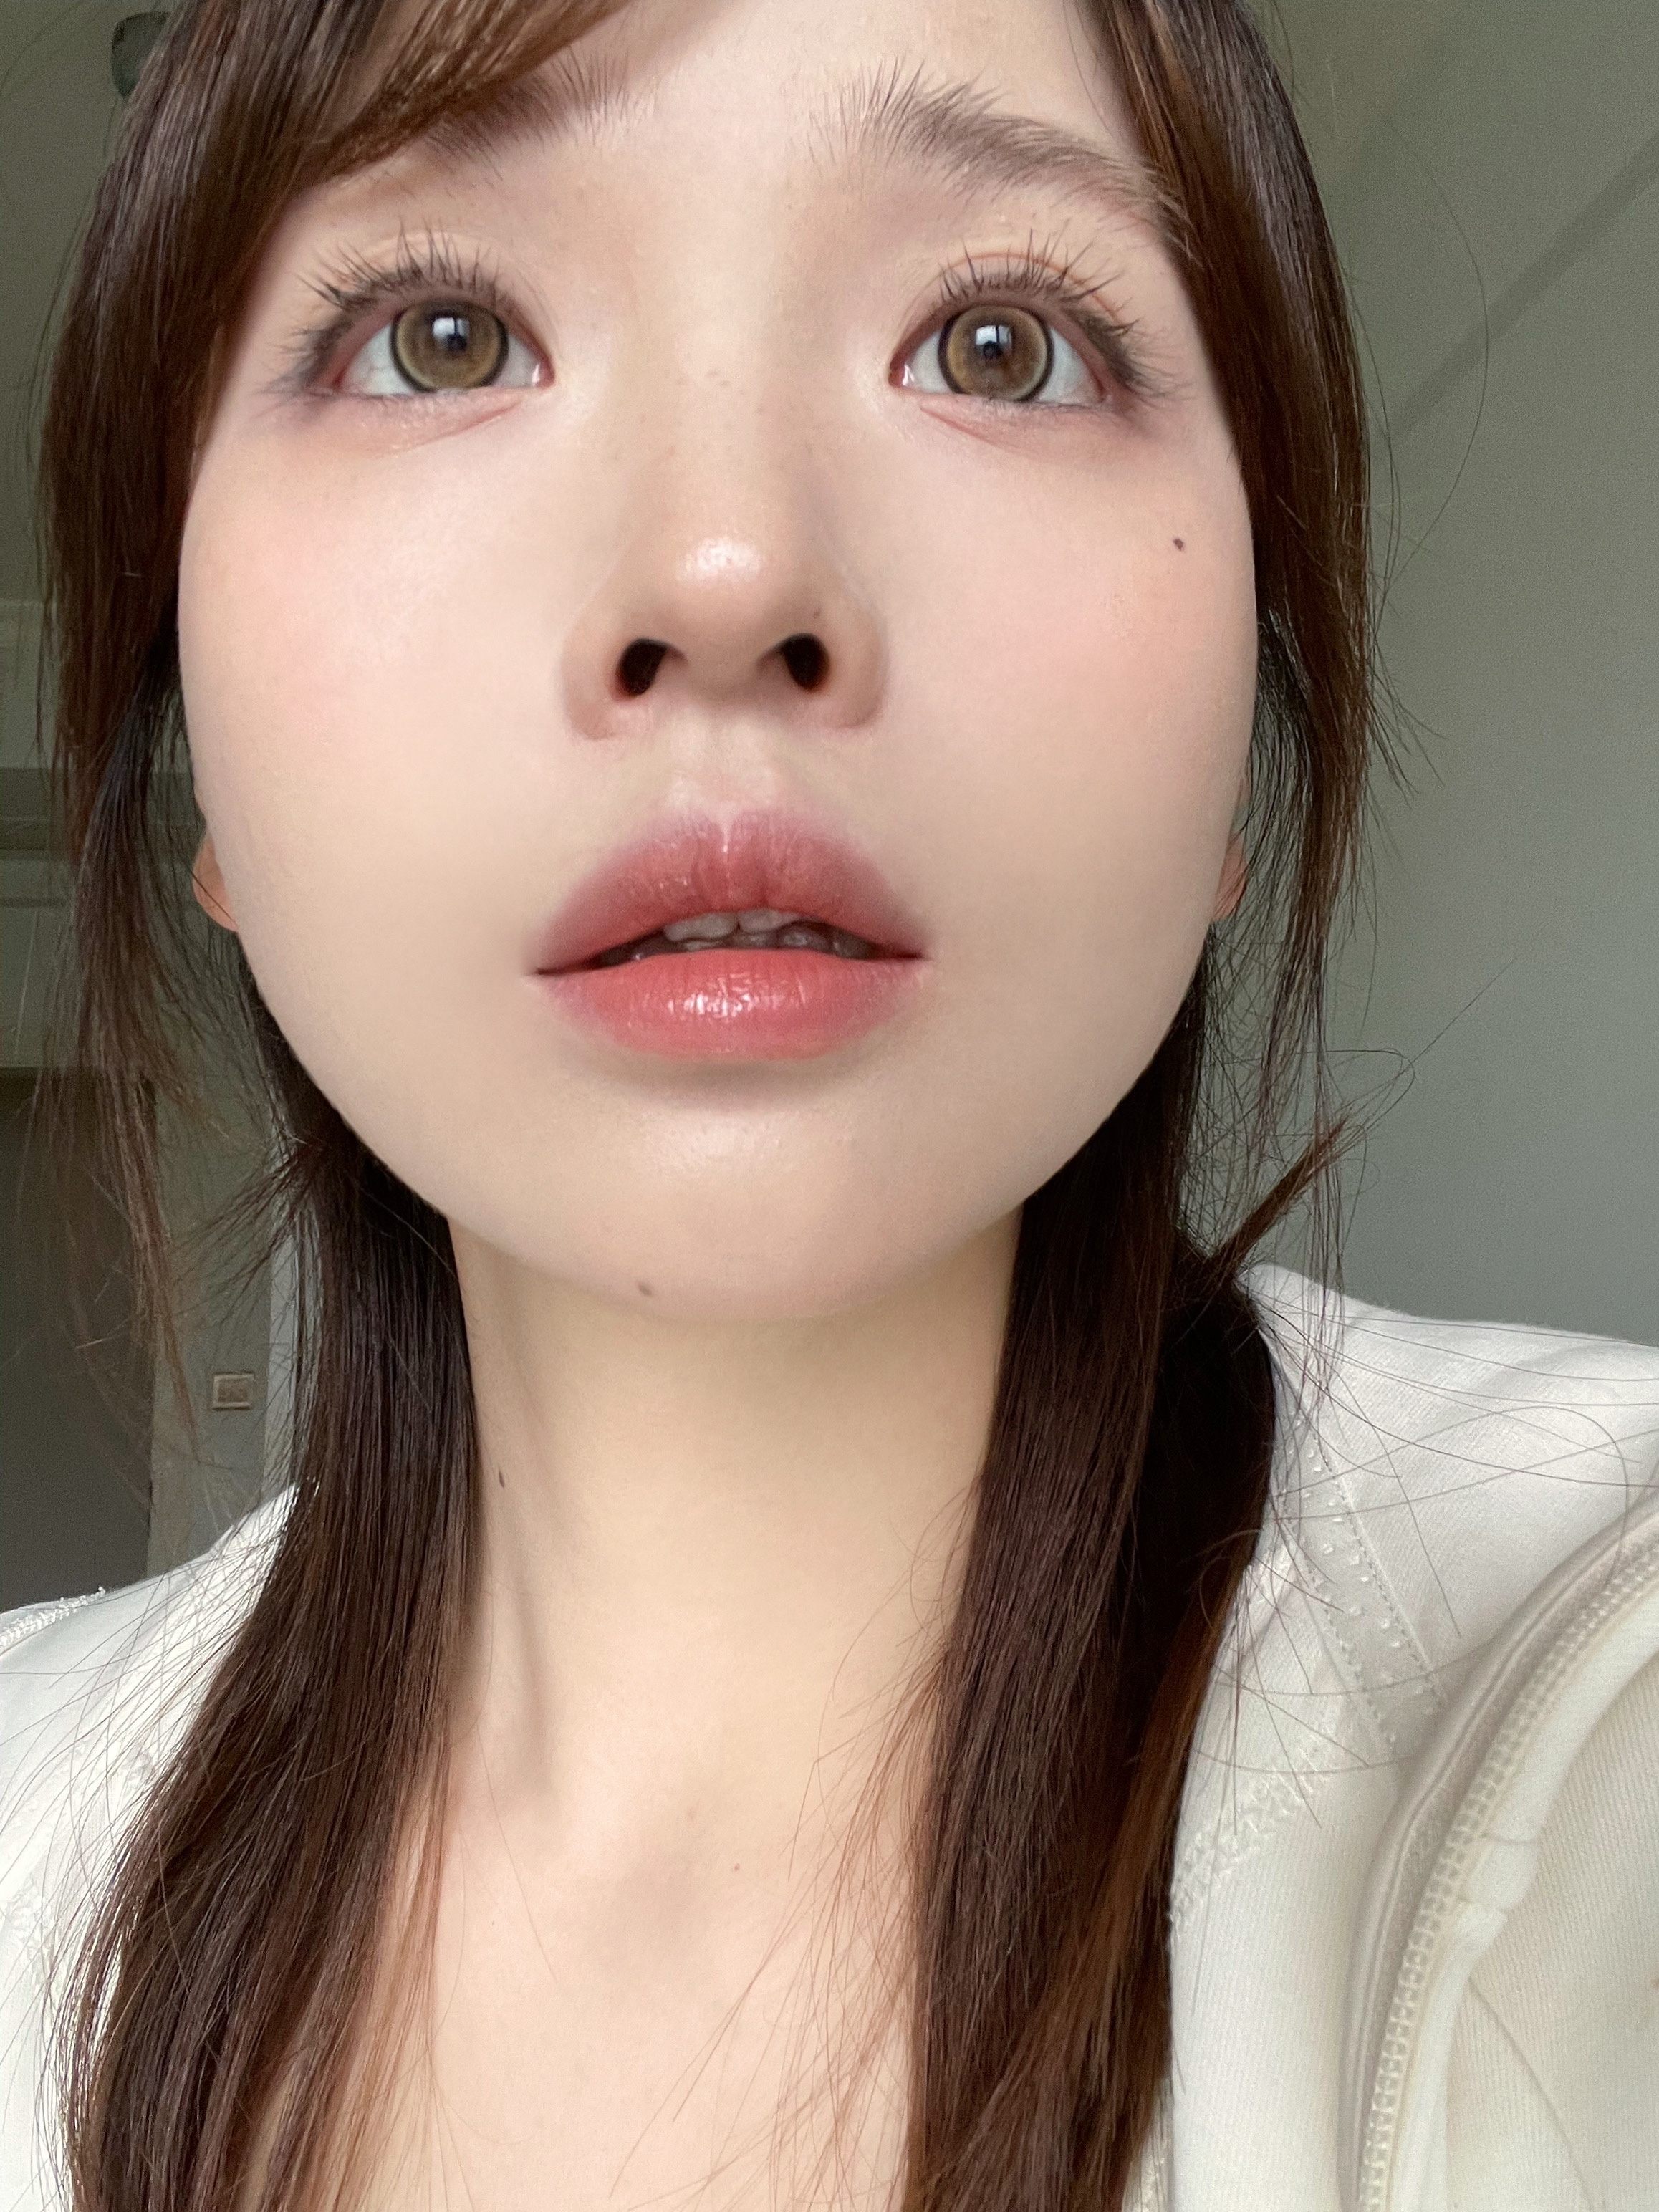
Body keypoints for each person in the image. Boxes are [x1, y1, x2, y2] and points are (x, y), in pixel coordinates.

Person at [2, 1, 1655, 2207]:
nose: (726, 577)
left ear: (1230, 776)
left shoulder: (1583, 1690)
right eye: (438, 335)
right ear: (198, 757)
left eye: (996, 346)